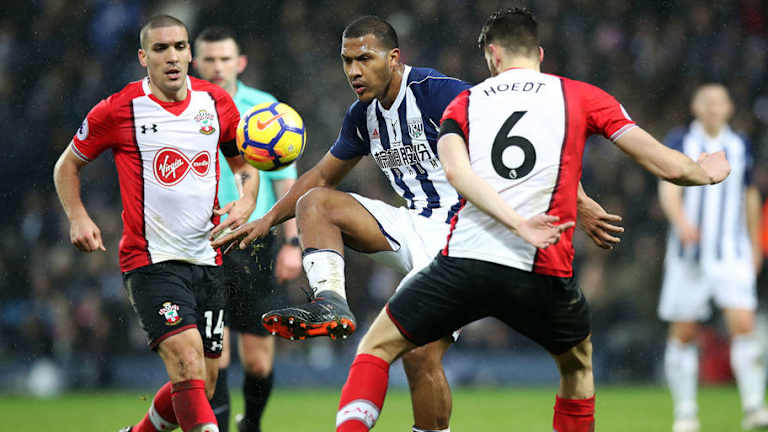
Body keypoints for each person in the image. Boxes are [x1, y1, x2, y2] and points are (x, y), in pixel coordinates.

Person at [212, 15, 621, 432]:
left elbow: (520, 144)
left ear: (393, 58)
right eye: (347, 60)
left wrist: (580, 201)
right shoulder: (362, 115)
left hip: (462, 236)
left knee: (419, 355)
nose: (354, 71)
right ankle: (330, 301)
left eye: (364, 59)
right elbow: (319, 175)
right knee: (315, 202)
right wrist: (266, 220)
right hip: (413, 221)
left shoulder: (438, 92)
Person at [331, 8, 731, 432]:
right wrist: (704, 170)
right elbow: (665, 165)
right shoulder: (581, 96)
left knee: (376, 347)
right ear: (539, 53)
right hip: (542, 267)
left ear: (492, 55)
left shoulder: (465, 102)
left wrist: (514, 220)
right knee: (577, 368)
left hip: (465, 262)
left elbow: (456, 172)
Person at [52, 15, 259, 432]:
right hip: (151, 262)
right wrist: (78, 216)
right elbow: (66, 166)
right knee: (186, 363)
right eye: (161, 49)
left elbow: (243, 166)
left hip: (208, 259)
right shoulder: (119, 108)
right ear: (143, 57)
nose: (172, 57)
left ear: (189, 53)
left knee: (203, 380)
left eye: (179, 47)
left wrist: (247, 201)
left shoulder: (215, 101)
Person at [193, 26, 303, 432]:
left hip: (256, 243)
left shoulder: (263, 109)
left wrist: (293, 242)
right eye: (209, 59)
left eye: (225, 59)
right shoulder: (186, 109)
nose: (217, 67)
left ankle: (251, 424)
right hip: (204, 243)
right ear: (196, 63)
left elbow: (285, 182)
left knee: (257, 360)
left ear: (239, 63)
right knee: (215, 356)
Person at [657, 84, 767, 432]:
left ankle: (753, 407)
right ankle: (685, 413)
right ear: (695, 106)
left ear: (729, 107)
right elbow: (667, 185)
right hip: (688, 254)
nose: (713, 108)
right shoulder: (680, 141)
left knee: (744, 325)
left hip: (730, 251)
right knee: (684, 332)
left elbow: (750, 195)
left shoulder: (740, 145)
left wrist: (754, 244)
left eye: (719, 102)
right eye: (706, 102)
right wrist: (682, 222)